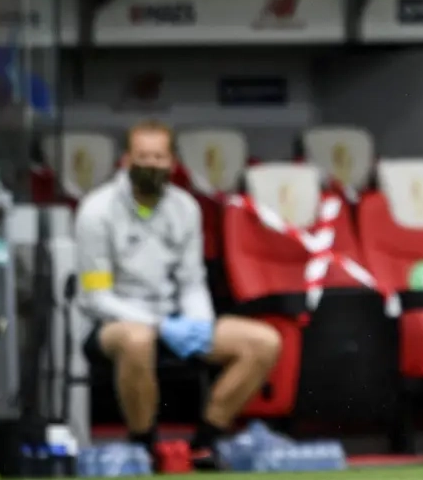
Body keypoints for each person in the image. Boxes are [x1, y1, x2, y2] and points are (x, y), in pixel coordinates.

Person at [75, 121, 282, 470]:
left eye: (159, 157)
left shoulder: (185, 207)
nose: (151, 164)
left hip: (174, 319)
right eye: (143, 156)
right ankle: (144, 445)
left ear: (172, 162)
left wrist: (197, 322)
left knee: (264, 342)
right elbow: (96, 297)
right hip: (114, 324)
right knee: (138, 340)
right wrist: (157, 325)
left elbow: (191, 281)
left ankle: (205, 442)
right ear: (126, 160)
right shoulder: (97, 210)